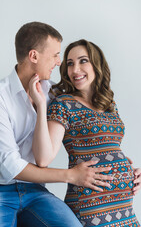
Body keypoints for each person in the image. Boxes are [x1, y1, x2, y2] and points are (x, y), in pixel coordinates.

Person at [0, 23, 120, 227]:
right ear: (34, 56)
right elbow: (11, 165)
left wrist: (124, 165)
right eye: (55, 55)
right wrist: (70, 176)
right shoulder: (2, 97)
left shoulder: (54, 94)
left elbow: (91, 133)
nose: (59, 62)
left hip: (35, 192)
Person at [29, 39, 141, 226]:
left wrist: (132, 173)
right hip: (91, 204)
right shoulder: (64, 104)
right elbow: (43, 159)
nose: (75, 70)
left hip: (124, 206)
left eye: (83, 61)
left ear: (97, 64)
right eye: (70, 63)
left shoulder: (108, 104)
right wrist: (42, 107)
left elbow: (111, 148)